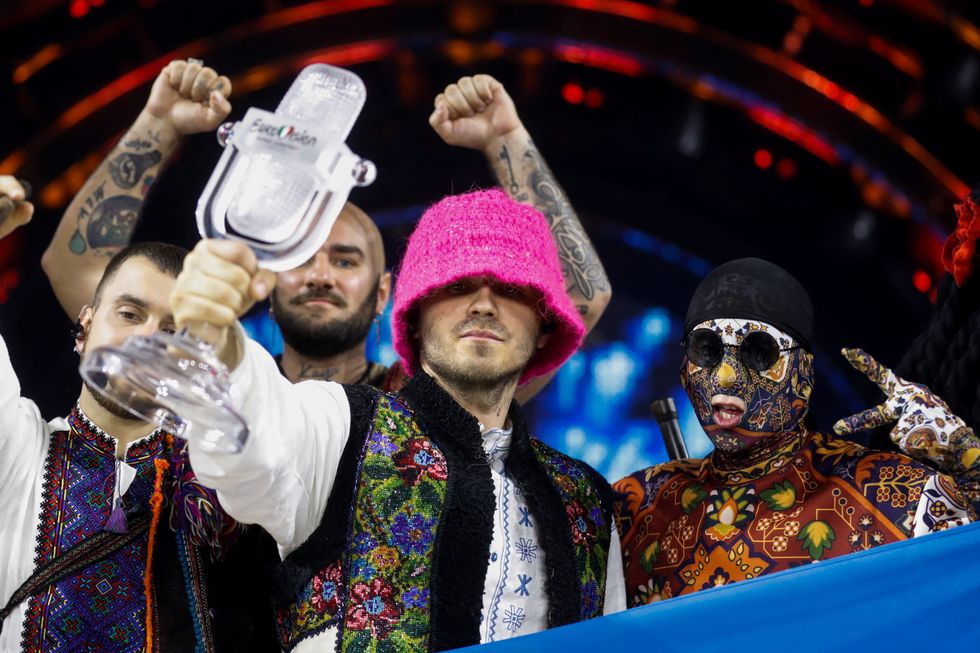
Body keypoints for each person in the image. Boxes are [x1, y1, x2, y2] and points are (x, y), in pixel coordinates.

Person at [168, 188, 626, 652]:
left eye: (510, 288)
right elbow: (251, 443)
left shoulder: (585, 496)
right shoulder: (345, 425)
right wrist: (218, 342)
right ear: (415, 313)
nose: (483, 305)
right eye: (458, 284)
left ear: (545, 323)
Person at [43, 71, 612, 399]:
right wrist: (159, 123)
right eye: (301, 254)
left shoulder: (431, 402)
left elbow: (578, 297)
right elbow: (79, 267)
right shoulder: (218, 379)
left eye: (344, 261)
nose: (319, 274)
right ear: (265, 274)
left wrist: (505, 137)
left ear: (384, 292)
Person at [613, 258, 973, 606]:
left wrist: (967, 458)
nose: (726, 376)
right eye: (707, 349)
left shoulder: (892, 493)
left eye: (759, 352)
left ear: (804, 373)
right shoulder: (638, 504)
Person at [0, 238, 277, 651]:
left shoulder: (223, 479)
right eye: (129, 314)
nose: (148, 340)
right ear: (87, 325)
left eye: (173, 331)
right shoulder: (17, 445)